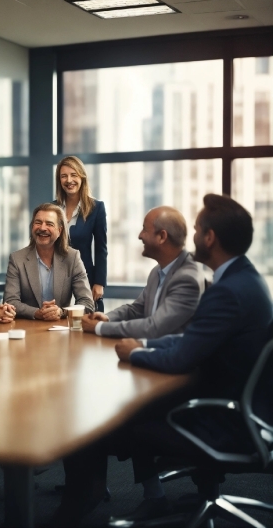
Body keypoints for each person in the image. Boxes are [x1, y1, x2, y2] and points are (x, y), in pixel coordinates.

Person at [53, 194, 273, 527]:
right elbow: (192, 338)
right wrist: (124, 334)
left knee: (112, 413)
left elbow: (182, 355)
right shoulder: (244, 279)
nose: (192, 236)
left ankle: (88, 498)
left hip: (223, 415)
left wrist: (136, 351)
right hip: (237, 400)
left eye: (198, 229)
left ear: (210, 238)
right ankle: (126, 495)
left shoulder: (226, 289)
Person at [82, 206, 205, 339]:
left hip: (168, 357)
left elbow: (154, 327)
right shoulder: (157, 271)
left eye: (145, 229)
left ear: (162, 236)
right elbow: (136, 309)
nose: (140, 235)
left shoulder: (187, 279)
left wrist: (99, 327)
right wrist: (107, 318)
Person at [4, 202, 94, 319]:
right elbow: (10, 301)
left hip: (62, 329)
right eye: (38, 223)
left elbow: (87, 303)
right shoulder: (17, 259)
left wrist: (61, 312)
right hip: (28, 328)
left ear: (59, 230)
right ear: (32, 227)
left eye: (49, 224)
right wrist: (37, 313)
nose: (42, 228)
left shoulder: (72, 257)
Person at [54, 156, 107, 311]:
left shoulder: (96, 208)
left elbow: (101, 248)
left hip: (86, 276)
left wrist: (99, 282)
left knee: (89, 323)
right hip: (56, 278)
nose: (69, 180)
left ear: (82, 177)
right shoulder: (52, 208)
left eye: (73, 175)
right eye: (64, 176)